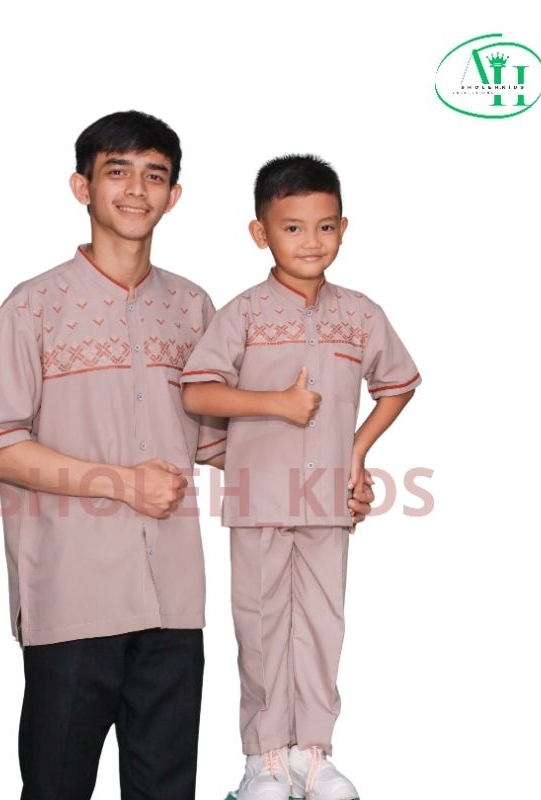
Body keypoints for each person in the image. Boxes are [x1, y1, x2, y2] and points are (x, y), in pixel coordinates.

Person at [0, 113, 375, 800]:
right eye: (118, 172)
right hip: (72, 600)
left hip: (174, 607)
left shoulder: (194, 309)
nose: (137, 189)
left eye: (154, 175)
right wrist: (120, 483)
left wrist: (330, 480)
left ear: (173, 195)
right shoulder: (32, 308)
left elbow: (226, 445)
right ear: (83, 187)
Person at [181, 154, 420, 800]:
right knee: (260, 627)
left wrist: (356, 451)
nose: (311, 241)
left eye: (324, 227)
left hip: (328, 501)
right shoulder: (243, 314)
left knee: (321, 626)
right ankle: (262, 759)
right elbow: (198, 390)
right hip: (257, 498)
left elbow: (398, 383)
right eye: (292, 228)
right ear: (260, 233)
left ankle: (312, 755)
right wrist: (277, 405)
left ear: (343, 228)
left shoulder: (360, 314)